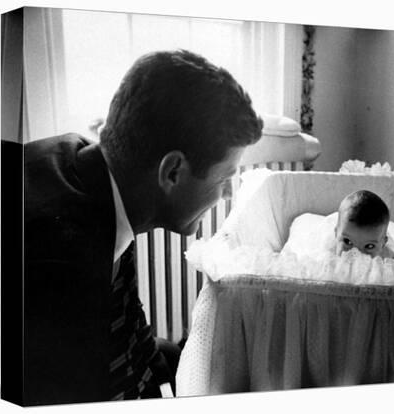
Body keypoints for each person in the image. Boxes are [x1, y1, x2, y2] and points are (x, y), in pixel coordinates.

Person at [22, 49, 263, 405]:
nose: (228, 194)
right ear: (172, 172)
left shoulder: (106, 177)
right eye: (225, 179)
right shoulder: (62, 267)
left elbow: (133, 332)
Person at [284, 190, 394, 260]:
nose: (356, 255)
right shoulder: (328, 254)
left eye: (369, 246)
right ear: (336, 234)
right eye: (347, 242)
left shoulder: (389, 257)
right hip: (331, 226)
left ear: (383, 244)